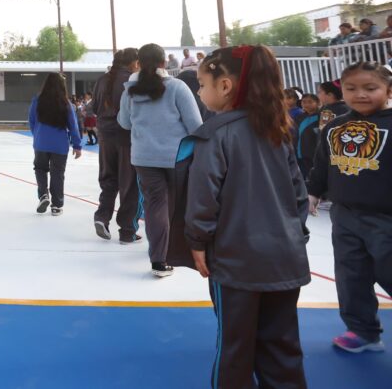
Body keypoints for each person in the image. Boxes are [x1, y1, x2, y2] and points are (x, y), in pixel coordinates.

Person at [182, 45, 311, 388]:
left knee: (235, 348)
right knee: (282, 346)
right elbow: (298, 196)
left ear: (225, 86)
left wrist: (197, 240)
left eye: (202, 84)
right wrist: (294, 235)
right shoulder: (278, 131)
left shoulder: (214, 134)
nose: (199, 92)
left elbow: (203, 198)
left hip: (236, 263)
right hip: (285, 259)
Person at [308, 61, 392, 354]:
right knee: (351, 275)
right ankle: (363, 330)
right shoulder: (335, 126)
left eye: (370, 88)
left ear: (388, 90)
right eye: (351, 88)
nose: (360, 94)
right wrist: (313, 192)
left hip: (386, 217)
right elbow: (322, 164)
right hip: (344, 215)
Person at [118, 43, 202, 277]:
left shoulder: (130, 91)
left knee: (155, 206)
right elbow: (196, 125)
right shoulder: (177, 87)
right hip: (177, 157)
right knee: (175, 207)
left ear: (138, 64)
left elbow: (124, 123)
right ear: (164, 63)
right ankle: (177, 251)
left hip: (144, 158)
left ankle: (158, 259)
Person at [91, 47, 142, 244]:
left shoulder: (102, 80)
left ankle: (102, 216)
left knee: (108, 179)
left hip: (105, 135)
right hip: (126, 137)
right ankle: (127, 230)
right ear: (134, 63)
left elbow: (94, 108)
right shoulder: (133, 81)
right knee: (129, 184)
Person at [27, 73, 83, 216]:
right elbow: (73, 126)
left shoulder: (37, 101)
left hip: (41, 142)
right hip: (59, 145)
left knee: (40, 169)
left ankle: (43, 195)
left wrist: (37, 134)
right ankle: (57, 205)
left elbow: (31, 121)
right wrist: (77, 145)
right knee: (57, 173)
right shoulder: (66, 104)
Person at [292, 93, 321, 182]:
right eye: (304, 102)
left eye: (310, 102)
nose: (306, 104)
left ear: (318, 103)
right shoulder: (299, 117)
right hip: (300, 153)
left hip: (315, 154)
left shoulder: (321, 117)